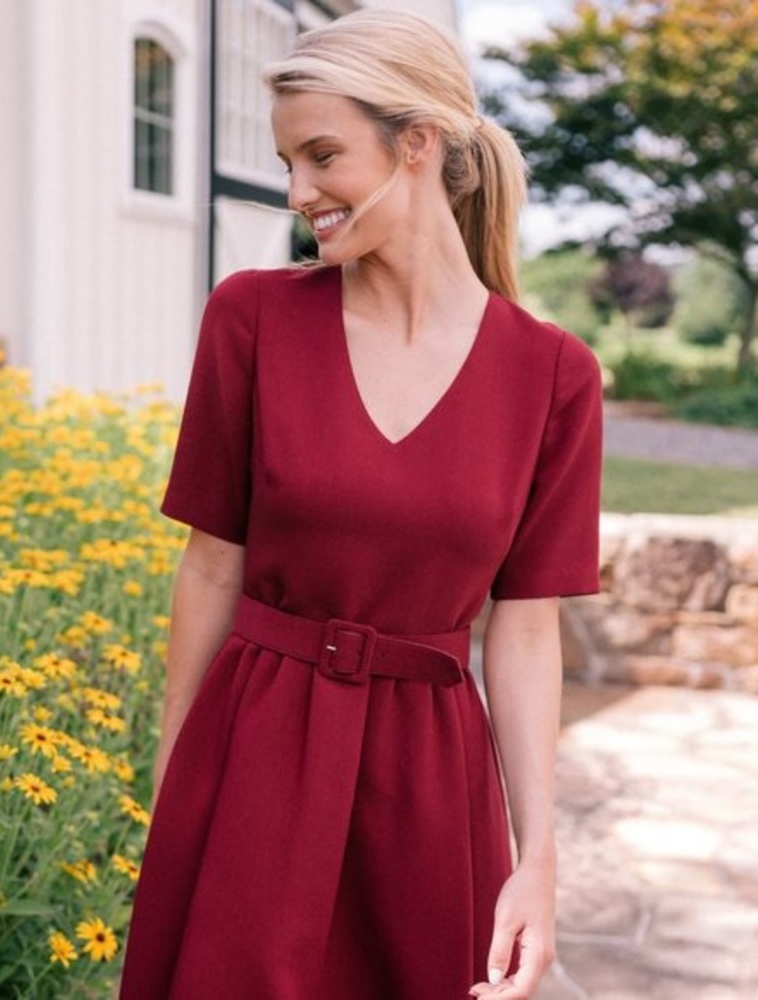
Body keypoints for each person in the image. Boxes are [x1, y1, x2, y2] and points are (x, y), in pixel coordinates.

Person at [119, 8, 602, 999]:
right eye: (288, 161)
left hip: (429, 789)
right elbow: (212, 564)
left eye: (322, 156)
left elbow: (523, 628)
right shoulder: (250, 319)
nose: (298, 192)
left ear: (416, 143)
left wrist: (536, 854)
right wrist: (176, 795)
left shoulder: (553, 376)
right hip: (251, 756)